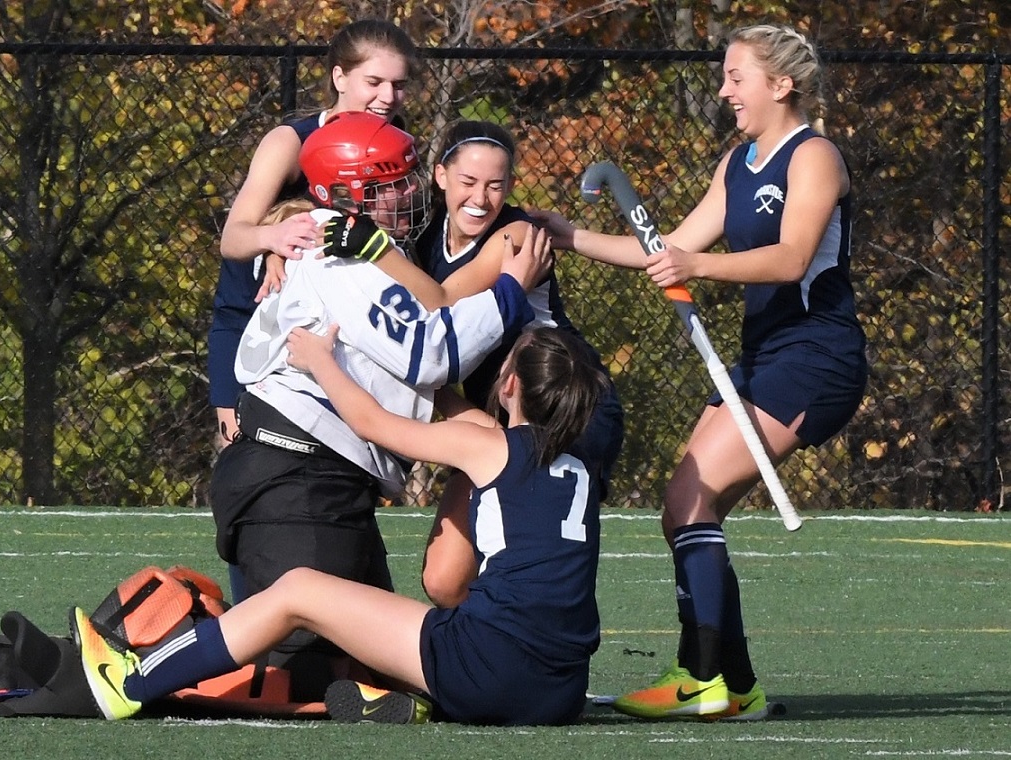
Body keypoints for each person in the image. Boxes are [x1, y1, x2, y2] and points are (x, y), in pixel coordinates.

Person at [533, 24, 867, 721]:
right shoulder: (736, 163)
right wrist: (566, 235)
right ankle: (730, 683)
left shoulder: (816, 158)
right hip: (764, 357)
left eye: (736, 76)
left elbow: (791, 259)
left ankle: (705, 677)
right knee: (684, 505)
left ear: (782, 85)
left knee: (690, 497)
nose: (724, 90)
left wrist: (698, 268)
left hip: (816, 359)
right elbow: (672, 247)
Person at [71, 325, 612, 726]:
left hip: (487, 671)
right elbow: (472, 423)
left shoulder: (486, 445)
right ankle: (408, 698)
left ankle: (131, 682)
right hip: (560, 694)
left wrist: (320, 359)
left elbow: (371, 424)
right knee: (435, 627)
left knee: (299, 590)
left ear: (509, 382)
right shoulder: (583, 462)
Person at [209, 111, 551, 703]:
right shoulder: (343, 252)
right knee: (302, 684)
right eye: (393, 181)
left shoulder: (357, 243)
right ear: (353, 190)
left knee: (391, 677)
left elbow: (417, 331)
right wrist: (510, 294)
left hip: (322, 479)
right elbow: (428, 352)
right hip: (297, 481)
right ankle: (136, 653)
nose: (410, 190)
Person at [364, 120, 624, 607]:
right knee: (444, 581)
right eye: (467, 182)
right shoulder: (420, 237)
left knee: (533, 565)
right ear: (440, 177)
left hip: (565, 409)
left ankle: (540, 662)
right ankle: (486, 655)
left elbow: (441, 301)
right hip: (501, 419)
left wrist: (369, 246)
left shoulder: (517, 235)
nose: (480, 198)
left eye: (495, 185)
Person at [208, 19, 418, 450]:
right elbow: (233, 238)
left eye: (398, 84)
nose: (387, 97)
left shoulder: (396, 143)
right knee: (246, 466)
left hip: (332, 339)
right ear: (339, 76)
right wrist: (275, 239)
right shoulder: (291, 141)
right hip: (255, 328)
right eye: (373, 81)